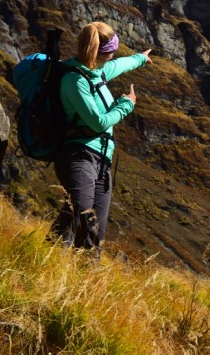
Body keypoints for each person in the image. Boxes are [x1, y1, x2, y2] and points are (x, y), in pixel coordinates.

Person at [51, 21, 151, 251]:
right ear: (102, 51)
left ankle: (82, 277)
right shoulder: (75, 80)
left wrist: (140, 58)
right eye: (112, 48)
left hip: (102, 161)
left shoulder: (98, 71)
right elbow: (98, 123)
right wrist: (126, 104)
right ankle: (46, 265)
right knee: (86, 220)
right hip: (79, 155)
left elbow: (120, 65)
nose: (114, 53)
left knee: (91, 229)